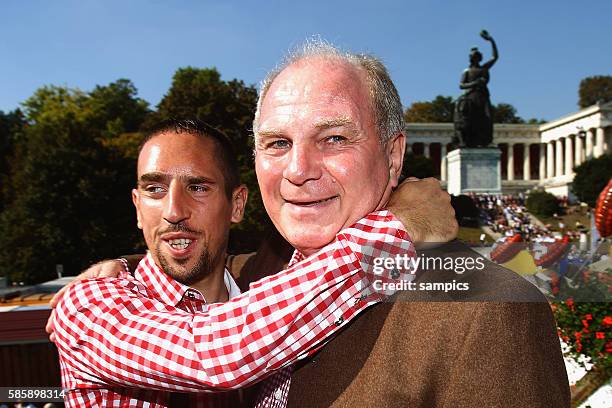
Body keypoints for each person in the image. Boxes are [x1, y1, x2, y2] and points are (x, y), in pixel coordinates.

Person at [50, 118, 455, 407]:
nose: (173, 209)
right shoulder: (87, 304)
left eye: (197, 187)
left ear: (237, 204)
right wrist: (397, 226)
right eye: (154, 190)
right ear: (138, 209)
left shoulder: (259, 286)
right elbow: (215, 351)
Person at [453, 30, 498, 147]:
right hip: (471, 98)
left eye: (478, 57)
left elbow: (495, 57)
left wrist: (491, 40)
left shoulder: (484, 68)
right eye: (474, 57)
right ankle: (468, 141)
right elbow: (461, 85)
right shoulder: (467, 71)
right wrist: (475, 83)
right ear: (471, 59)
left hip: (483, 96)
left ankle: (485, 141)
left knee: (487, 119)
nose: (476, 59)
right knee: (471, 121)